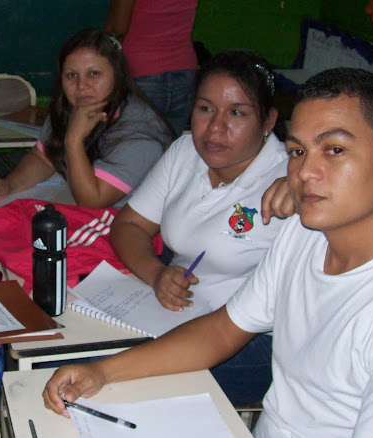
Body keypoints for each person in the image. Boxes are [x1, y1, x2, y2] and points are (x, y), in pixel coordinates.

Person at [44, 68, 373, 438]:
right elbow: (220, 331)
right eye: (297, 152)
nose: (305, 173)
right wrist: (103, 371)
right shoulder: (304, 236)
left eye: (334, 150)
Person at [110, 49, 285, 405]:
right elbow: (128, 225)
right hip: (170, 317)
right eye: (206, 108)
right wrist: (157, 274)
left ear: (268, 121)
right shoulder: (185, 151)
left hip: (253, 342)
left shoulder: (289, 184)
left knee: (129, 386)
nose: (216, 127)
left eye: (237, 113)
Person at [0, 27, 173, 209]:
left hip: (136, 230)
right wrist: (10, 184)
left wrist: (73, 139)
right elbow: (44, 158)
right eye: (71, 75)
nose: (81, 86)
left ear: (117, 76)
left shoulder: (140, 132)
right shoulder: (72, 108)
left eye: (94, 73)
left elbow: (93, 202)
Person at [104, 0, 211, 136]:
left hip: (139, 74)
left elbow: (117, 28)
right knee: (169, 154)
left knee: (133, 151)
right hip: (184, 73)